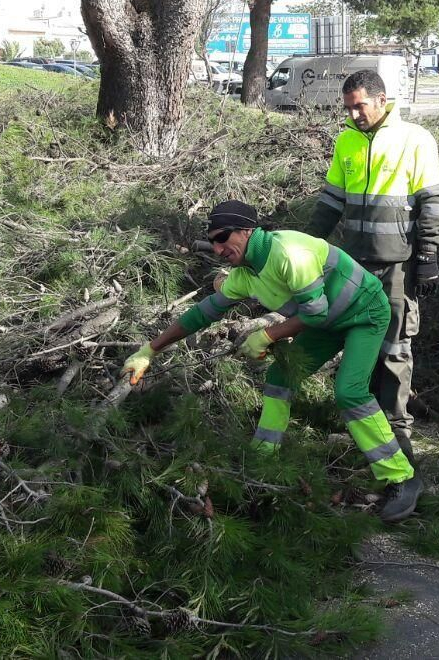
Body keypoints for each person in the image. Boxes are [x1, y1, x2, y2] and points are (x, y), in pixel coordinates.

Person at [120, 200, 423, 522]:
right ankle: (264, 462)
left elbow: (314, 311)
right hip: (325, 323)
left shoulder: (288, 253)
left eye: (223, 237)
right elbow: (202, 314)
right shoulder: (244, 274)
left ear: (247, 230)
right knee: (279, 380)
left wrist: (267, 335)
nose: (218, 248)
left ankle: (402, 478)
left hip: (364, 312)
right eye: (212, 242)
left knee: (349, 392)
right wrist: (149, 350)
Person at [305, 69, 439, 470]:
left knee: (396, 347)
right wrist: (308, 242)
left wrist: (429, 255)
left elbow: (432, 201)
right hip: (355, 265)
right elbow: (332, 199)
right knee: (360, 344)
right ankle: (364, 426)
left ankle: (398, 430)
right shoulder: (347, 140)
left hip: (398, 266)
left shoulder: (414, 139)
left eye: (360, 106)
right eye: (348, 108)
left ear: (382, 100)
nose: (353, 116)